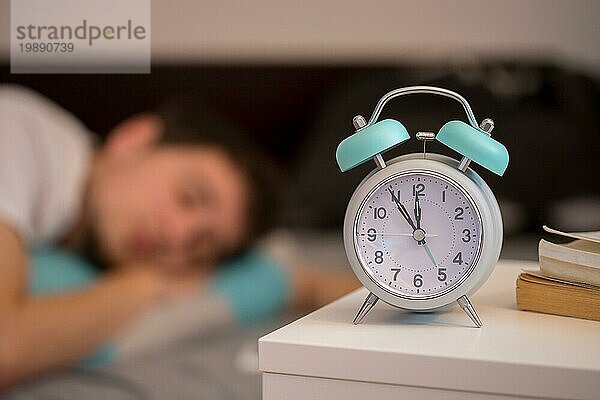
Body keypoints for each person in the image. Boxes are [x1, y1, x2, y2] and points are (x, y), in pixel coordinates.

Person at [0, 85, 359, 389]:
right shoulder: (18, 140)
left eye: (200, 247)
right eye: (188, 195)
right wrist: (141, 286)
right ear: (134, 139)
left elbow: (293, 281)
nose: (177, 237)